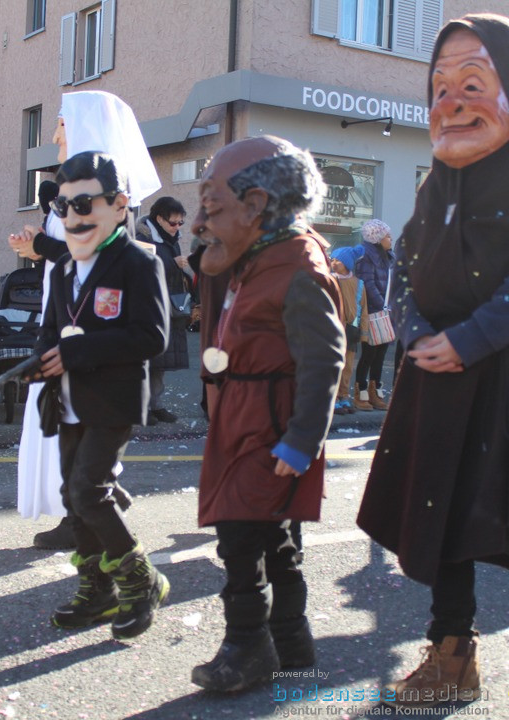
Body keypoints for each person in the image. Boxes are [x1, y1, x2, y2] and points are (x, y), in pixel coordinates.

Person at [355, 15, 509, 708]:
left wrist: (470, 338)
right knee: (440, 519)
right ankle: (451, 656)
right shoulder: (436, 186)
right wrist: (417, 332)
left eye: (473, 84)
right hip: (436, 378)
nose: (453, 102)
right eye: (440, 88)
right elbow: (404, 269)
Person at [190, 136, 344, 692]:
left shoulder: (298, 267)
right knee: (270, 534)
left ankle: (248, 646)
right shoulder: (257, 256)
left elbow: (324, 362)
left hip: (269, 423)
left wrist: (302, 440)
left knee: (239, 537)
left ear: (256, 206)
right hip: (243, 414)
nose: (202, 216)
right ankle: (293, 639)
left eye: (214, 202)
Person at [8, 90, 161, 550]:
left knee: (74, 424)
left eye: (61, 122)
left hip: (87, 341)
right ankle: (95, 501)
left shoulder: (105, 201)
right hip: (64, 328)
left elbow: (95, 258)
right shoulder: (75, 194)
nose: (54, 132)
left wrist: (42, 248)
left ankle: (87, 518)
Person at [29, 150, 170, 640]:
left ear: (119, 204)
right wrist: (37, 360)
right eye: (64, 207)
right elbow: (52, 328)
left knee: (90, 490)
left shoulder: (139, 261)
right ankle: (98, 592)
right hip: (67, 398)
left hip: (113, 397)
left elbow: (153, 338)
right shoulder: (66, 266)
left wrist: (78, 352)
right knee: (74, 496)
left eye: (84, 204)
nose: (72, 216)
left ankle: (140, 581)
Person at [135, 196, 191, 424]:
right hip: (147, 308)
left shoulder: (170, 239)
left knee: (160, 362)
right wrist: (173, 264)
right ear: (159, 219)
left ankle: (156, 405)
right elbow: (142, 269)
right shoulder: (142, 239)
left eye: (180, 223)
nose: (177, 227)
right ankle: (141, 408)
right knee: (145, 361)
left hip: (169, 307)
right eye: (173, 223)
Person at [353, 219, 395, 411]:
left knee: (381, 353)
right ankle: (360, 392)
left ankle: (375, 391)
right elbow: (368, 284)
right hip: (372, 311)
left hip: (385, 311)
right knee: (369, 353)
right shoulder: (366, 257)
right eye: (387, 235)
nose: (391, 238)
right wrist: (382, 305)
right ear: (377, 238)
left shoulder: (388, 256)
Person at [330, 244, 366, 415]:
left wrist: (364, 333)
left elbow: (363, 308)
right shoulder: (329, 280)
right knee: (333, 365)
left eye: (338, 260)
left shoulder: (358, 283)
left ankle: (344, 395)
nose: (333, 262)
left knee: (348, 365)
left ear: (348, 264)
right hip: (333, 328)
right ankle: (333, 397)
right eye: (332, 259)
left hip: (351, 329)